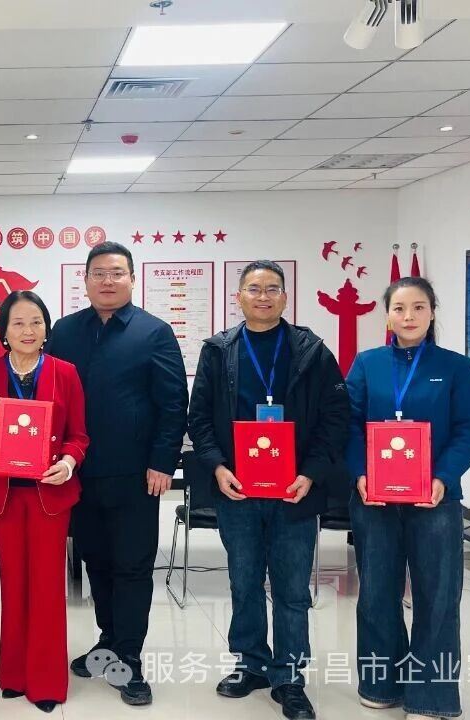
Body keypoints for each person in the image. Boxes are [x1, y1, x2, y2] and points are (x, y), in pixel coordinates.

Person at [187, 261, 349, 720]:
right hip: (238, 489)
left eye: (272, 289)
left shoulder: (312, 352)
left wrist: (311, 473)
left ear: (285, 297)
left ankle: (290, 677)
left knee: (293, 588)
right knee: (244, 582)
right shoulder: (218, 351)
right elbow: (199, 418)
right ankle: (251, 664)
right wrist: (218, 468)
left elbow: (336, 418)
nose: (263, 296)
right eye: (254, 289)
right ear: (238, 296)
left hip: (294, 491)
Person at [47, 241, 189, 706]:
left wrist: (162, 462)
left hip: (135, 474)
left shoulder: (154, 332)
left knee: (132, 567)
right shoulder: (65, 331)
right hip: (78, 472)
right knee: (96, 562)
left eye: (116, 273)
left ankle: (129, 658)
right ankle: (107, 641)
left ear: (131, 278)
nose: (107, 281)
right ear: (85, 280)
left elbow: (173, 403)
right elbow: (49, 395)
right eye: (99, 273)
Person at [346, 277, 470, 720]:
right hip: (375, 500)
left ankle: (432, 697)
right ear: (387, 315)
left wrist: (443, 476)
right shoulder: (367, 364)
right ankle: (380, 683)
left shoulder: (455, 366)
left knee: (438, 597)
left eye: (419, 307)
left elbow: (469, 428)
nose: (409, 316)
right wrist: (360, 473)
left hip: (435, 502)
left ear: (432, 313)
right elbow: (347, 424)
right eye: (400, 308)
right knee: (376, 592)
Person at [0, 290, 89, 713]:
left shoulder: (65, 372)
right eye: (17, 322)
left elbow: (79, 435)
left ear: (46, 328)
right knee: (14, 583)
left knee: (47, 586)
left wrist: (69, 463)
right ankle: (15, 675)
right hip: (4, 495)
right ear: (3, 331)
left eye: (36, 321)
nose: (27, 330)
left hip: (49, 495)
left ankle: (47, 681)